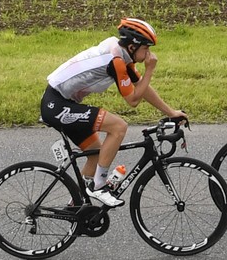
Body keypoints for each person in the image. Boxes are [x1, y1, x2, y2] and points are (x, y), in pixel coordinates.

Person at [41, 17, 186, 208]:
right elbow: (133, 100)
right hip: (57, 105)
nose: (149, 54)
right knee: (118, 127)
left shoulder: (120, 54)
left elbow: (141, 87)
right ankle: (99, 186)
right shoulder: (115, 60)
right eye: (146, 48)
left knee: (97, 154)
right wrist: (150, 70)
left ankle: (76, 207)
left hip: (63, 102)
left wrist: (171, 112)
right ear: (133, 46)